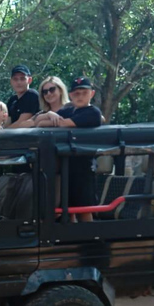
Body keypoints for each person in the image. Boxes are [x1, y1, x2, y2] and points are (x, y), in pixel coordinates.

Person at [38, 77, 103, 222]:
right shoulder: (69, 111)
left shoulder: (93, 112)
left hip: (83, 168)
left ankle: (89, 241)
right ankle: (71, 241)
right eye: (76, 93)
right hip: (66, 167)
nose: (79, 96)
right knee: (68, 209)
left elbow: (63, 124)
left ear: (91, 94)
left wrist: (53, 119)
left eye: (84, 93)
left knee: (84, 210)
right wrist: (49, 115)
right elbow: (40, 122)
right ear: (71, 95)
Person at [5, 64, 40, 129]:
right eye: (15, 79)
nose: (19, 82)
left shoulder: (32, 95)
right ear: (11, 81)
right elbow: (6, 122)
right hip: (13, 137)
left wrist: (2, 134)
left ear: (29, 80)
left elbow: (21, 123)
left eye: (22, 79)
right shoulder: (12, 100)